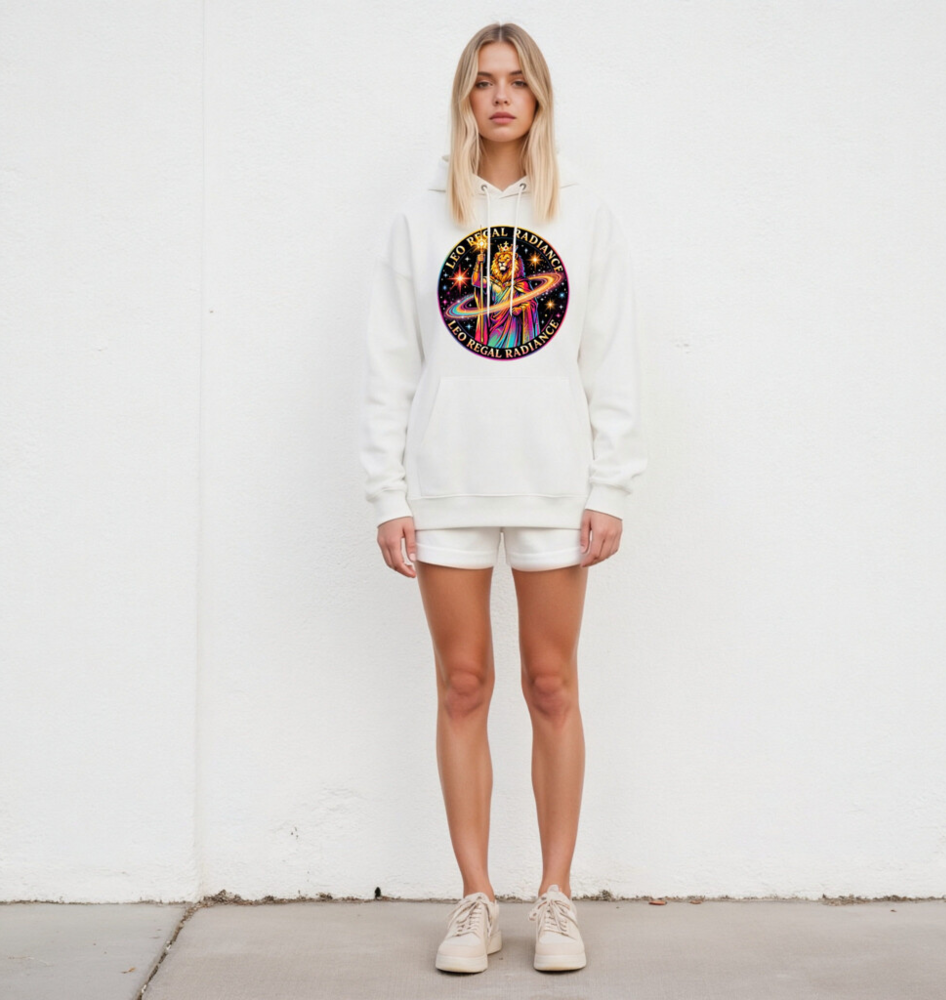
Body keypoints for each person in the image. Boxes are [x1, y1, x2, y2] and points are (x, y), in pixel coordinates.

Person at [358, 21, 647, 975]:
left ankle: (555, 897)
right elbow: (389, 366)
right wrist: (388, 493)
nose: (500, 97)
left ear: (539, 98)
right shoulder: (419, 220)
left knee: (551, 685)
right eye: (484, 82)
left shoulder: (585, 216)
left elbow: (611, 359)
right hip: (446, 487)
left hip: (554, 489)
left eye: (517, 81)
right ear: (465, 99)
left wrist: (610, 485)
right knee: (464, 685)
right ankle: (476, 899)